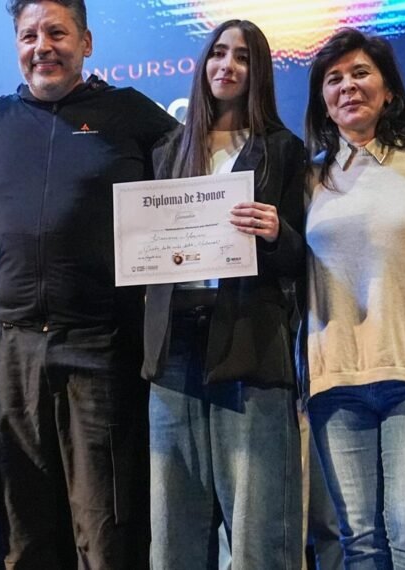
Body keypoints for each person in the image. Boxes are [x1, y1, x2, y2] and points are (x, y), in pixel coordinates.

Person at [0, 1, 178, 567]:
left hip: (102, 345)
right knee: (23, 525)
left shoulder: (131, 114)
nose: (42, 46)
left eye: (57, 33)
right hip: (15, 347)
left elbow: (203, 174)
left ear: (86, 43)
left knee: (106, 525)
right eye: (29, 36)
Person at [141, 19, 306, 570]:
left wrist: (277, 233)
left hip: (246, 343)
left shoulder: (282, 149)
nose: (226, 66)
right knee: (173, 529)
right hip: (174, 350)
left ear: (258, 73)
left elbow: (301, 259)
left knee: (259, 526)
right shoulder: (168, 150)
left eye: (241, 57)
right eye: (218, 53)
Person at [302, 27, 405, 569]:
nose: (348, 86)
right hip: (336, 379)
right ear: (323, 99)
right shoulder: (308, 178)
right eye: (334, 78)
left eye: (361, 73)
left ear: (388, 90)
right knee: (360, 541)